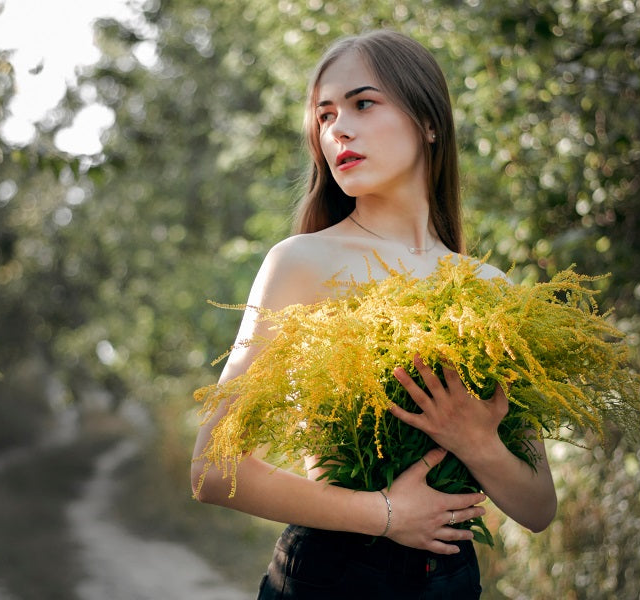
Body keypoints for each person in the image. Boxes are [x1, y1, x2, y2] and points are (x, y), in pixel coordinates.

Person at [191, 30, 556, 599]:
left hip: (452, 583)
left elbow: (537, 508)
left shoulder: (490, 289)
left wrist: (476, 441)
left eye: (363, 104)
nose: (339, 128)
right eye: (326, 114)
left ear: (429, 123)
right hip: (333, 576)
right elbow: (213, 471)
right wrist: (386, 514)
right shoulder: (302, 262)